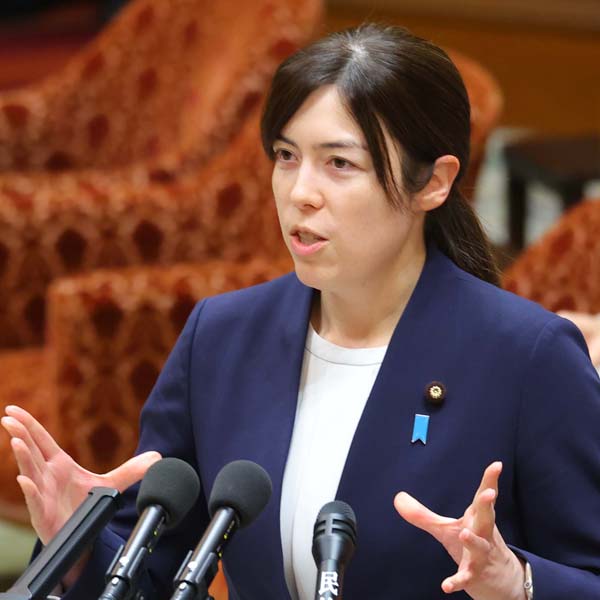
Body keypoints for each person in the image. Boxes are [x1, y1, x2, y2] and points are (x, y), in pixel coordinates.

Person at [3, 23, 600, 600]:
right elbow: (150, 570)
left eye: (340, 164)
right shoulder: (222, 338)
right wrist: (76, 548)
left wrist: (520, 584)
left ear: (434, 183)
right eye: (286, 156)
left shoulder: (527, 358)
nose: (299, 192)